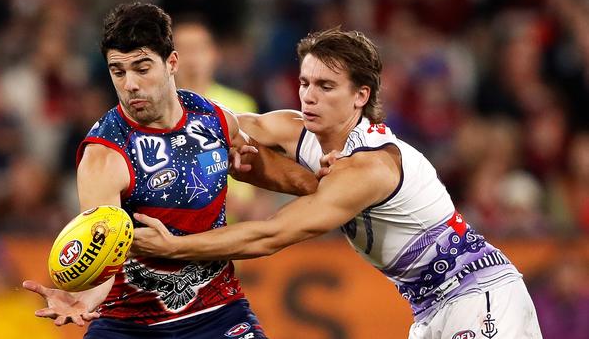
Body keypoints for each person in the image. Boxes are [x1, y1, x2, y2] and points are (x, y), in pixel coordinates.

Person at [130, 28, 544, 338]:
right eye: (305, 82)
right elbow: (232, 123)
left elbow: (271, 235)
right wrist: (152, 95)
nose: (309, 96)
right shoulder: (303, 133)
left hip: (478, 295)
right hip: (431, 306)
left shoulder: (369, 167)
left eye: (326, 87)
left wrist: (176, 248)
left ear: (360, 96)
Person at [22, 2, 318, 339]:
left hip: (216, 313)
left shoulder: (212, 118)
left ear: (171, 63)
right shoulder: (104, 156)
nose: (130, 84)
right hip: (129, 325)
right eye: (118, 71)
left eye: (142, 68)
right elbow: (103, 254)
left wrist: (321, 185)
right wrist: (83, 297)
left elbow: (260, 165)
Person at [173, 18, 273, 223]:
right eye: (184, 49)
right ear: (169, 59)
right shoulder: (159, 112)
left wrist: (259, 201)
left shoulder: (242, 105)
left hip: (238, 226)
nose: (192, 58)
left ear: (214, 54)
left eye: (199, 48)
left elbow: (262, 166)